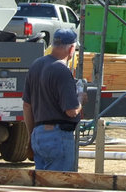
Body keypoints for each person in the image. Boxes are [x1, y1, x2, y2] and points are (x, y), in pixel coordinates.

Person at [22, 28, 84, 172]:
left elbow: (26, 105)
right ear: (72, 48)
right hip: (58, 136)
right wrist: (80, 98)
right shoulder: (62, 70)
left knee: (42, 183)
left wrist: (31, 136)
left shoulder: (36, 65)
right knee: (59, 183)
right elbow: (71, 111)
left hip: (38, 135)